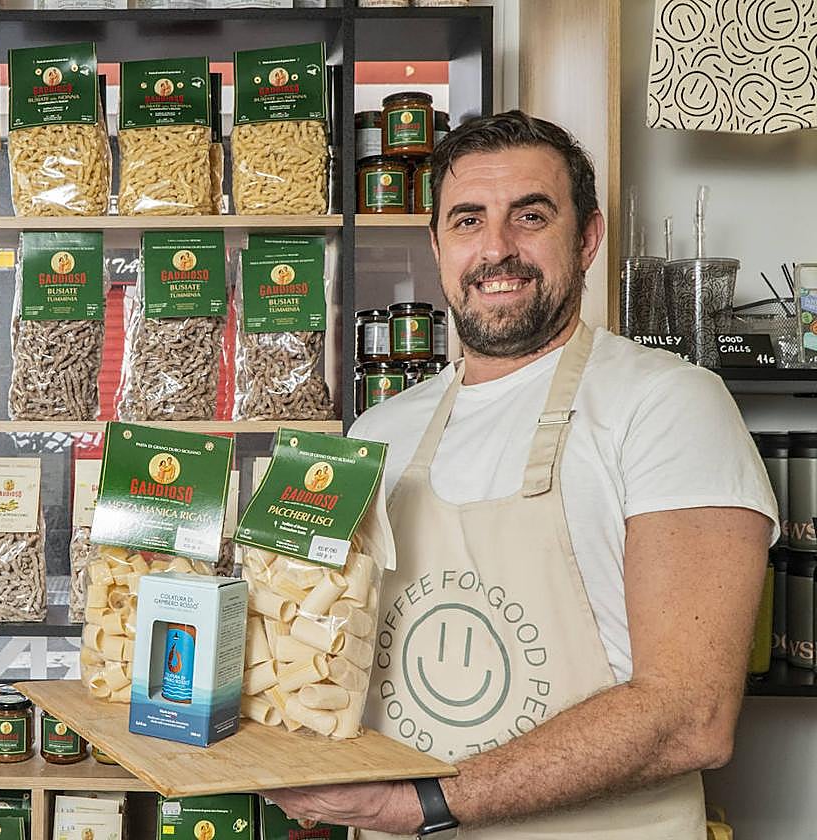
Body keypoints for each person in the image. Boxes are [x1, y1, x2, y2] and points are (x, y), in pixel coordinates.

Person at [266, 111, 778, 838]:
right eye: (468, 220)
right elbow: (321, 654)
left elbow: (690, 717)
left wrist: (423, 803)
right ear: (438, 245)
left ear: (588, 237)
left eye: (530, 216)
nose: (496, 249)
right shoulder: (378, 433)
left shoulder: (669, 405)